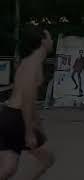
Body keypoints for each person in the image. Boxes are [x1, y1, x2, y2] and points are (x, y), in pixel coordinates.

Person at [0, 25, 55, 180]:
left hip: (8, 115)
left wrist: (37, 122)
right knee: (47, 160)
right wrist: (29, 131)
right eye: (50, 37)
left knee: (8, 168)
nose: (52, 41)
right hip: (17, 119)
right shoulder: (34, 64)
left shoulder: (27, 61)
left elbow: (29, 101)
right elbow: (27, 98)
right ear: (43, 41)